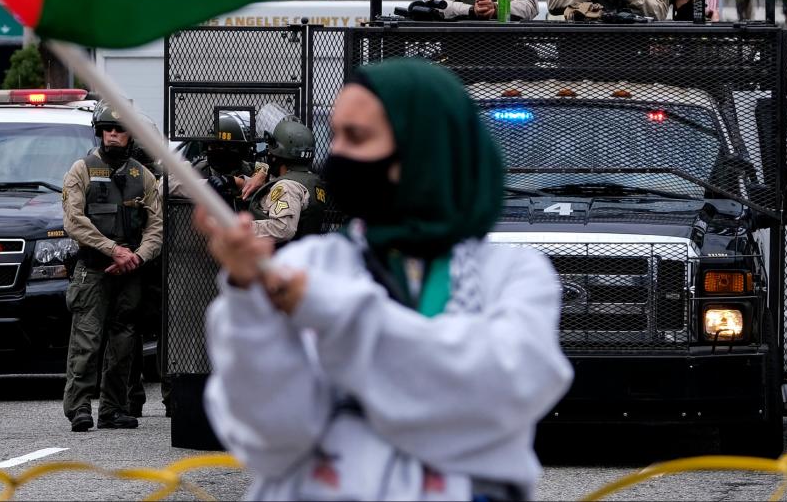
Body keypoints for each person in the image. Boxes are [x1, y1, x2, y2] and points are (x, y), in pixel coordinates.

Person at [197, 58, 572, 501]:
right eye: (335, 136)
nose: (337, 158)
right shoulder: (311, 264)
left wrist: (336, 313)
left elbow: (503, 391)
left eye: (356, 137)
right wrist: (248, 304)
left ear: (423, 149)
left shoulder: (514, 276)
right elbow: (271, 441)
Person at [62, 101, 163, 432]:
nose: (113, 135)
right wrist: (112, 250)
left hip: (129, 273)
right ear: (99, 132)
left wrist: (137, 256)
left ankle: (113, 408)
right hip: (94, 270)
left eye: (119, 130)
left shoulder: (143, 176)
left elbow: (156, 228)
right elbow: (74, 221)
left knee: (123, 343)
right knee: (86, 341)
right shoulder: (82, 170)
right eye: (108, 129)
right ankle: (79, 407)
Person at [242, 116, 327, 243]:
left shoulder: (288, 187)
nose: (269, 154)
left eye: (271, 151)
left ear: (278, 156)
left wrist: (242, 228)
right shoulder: (309, 180)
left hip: (282, 258)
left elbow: (282, 229)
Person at [191, 112, 269, 210]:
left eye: (227, 147)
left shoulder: (251, 169)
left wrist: (241, 181)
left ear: (241, 151)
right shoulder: (198, 169)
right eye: (214, 146)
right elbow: (170, 183)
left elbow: (270, 173)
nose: (219, 151)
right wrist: (210, 184)